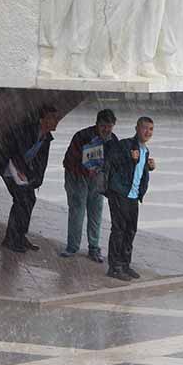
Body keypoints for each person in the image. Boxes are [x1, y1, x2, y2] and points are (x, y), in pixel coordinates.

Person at [0, 105, 60, 253]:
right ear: (43, 119)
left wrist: (36, 180)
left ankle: (20, 235)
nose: (56, 121)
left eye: (57, 118)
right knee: (21, 200)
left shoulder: (46, 138)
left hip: (22, 171)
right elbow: (16, 151)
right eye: (53, 118)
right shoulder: (28, 130)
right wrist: (22, 173)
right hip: (10, 166)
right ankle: (11, 239)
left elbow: (41, 163)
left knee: (30, 199)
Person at [60, 109, 118, 262]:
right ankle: (72, 246)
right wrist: (84, 169)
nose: (106, 130)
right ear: (96, 124)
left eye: (109, 126)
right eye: (103, 126)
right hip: (77, 177)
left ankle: (94, 247)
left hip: (97, 179)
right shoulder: (82, 136)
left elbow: (114, 163)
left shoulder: (113, 141)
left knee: (96, 212)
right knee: (77, 210)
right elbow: (69, 160)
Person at [103, 116, 156, 281]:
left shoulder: (145, 151)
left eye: (151, 129)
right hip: (120, 193)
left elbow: (139, 172)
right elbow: (111, 161)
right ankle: (114, 267)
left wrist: (149, 167)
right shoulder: (126, 145)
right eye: (145, 128)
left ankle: (125, 264)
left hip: (133, 196)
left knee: (130, 231)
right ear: (137, 128)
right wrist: (129, 157)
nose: (147, 132)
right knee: (119, 230)